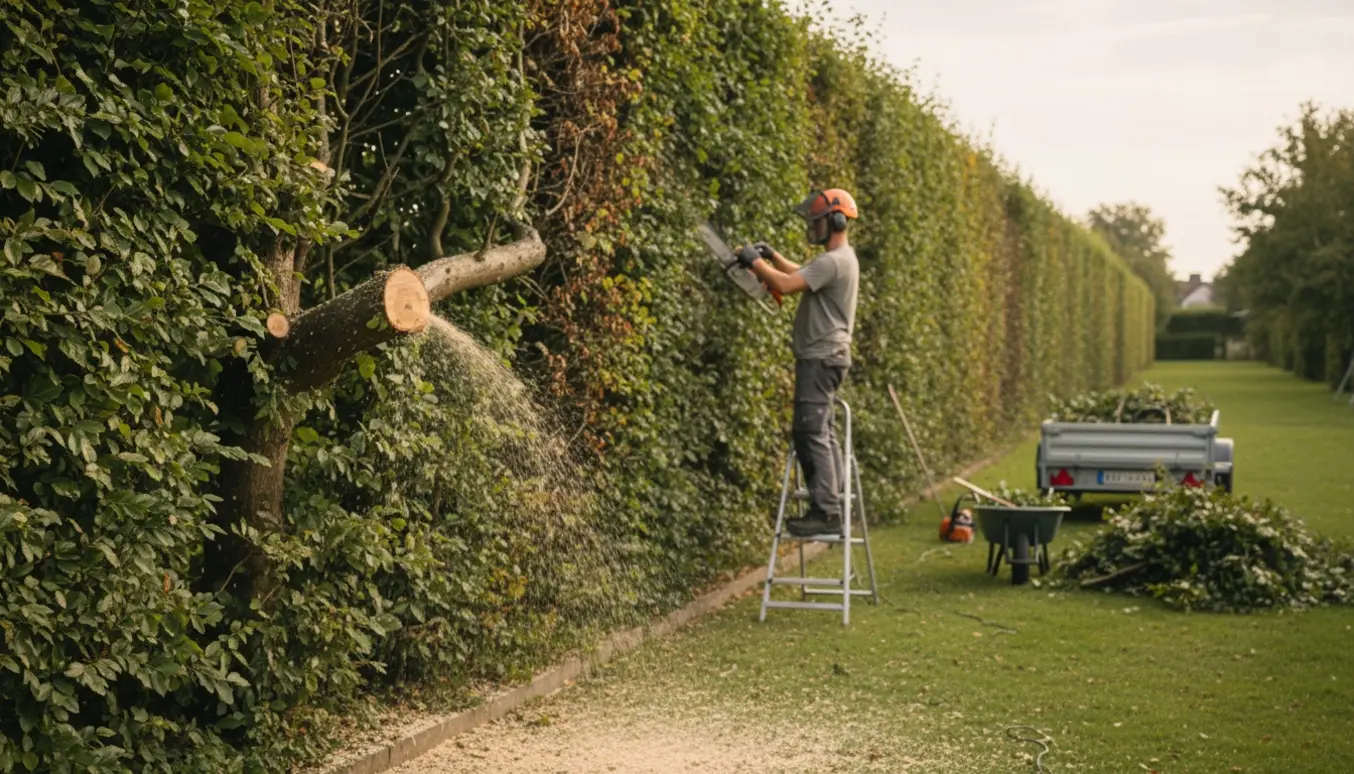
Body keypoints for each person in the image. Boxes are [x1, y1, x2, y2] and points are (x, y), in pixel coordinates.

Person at [735, 189, 860, 536]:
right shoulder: (839, 260)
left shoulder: (833, 261)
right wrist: (771, 256)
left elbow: (789, 285)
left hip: (820, 358)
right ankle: (834, 505)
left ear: (835, 220)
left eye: (817, 221)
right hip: (830, 358)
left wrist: (755, 262)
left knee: (808, 431)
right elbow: (803, 274)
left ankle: (826, 511)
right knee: (823, 432)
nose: (812, 227)